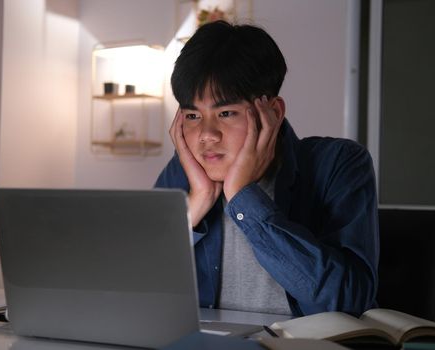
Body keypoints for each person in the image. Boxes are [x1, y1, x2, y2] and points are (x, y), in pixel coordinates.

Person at [155, 20, 379, 317]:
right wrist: (195, 205)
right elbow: (131, 289)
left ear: (272, 112)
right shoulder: (186, 172)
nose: (207, 134)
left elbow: (348, 302)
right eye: (193, 115)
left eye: (225, 113)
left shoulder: (339, 163)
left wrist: (243, 199)